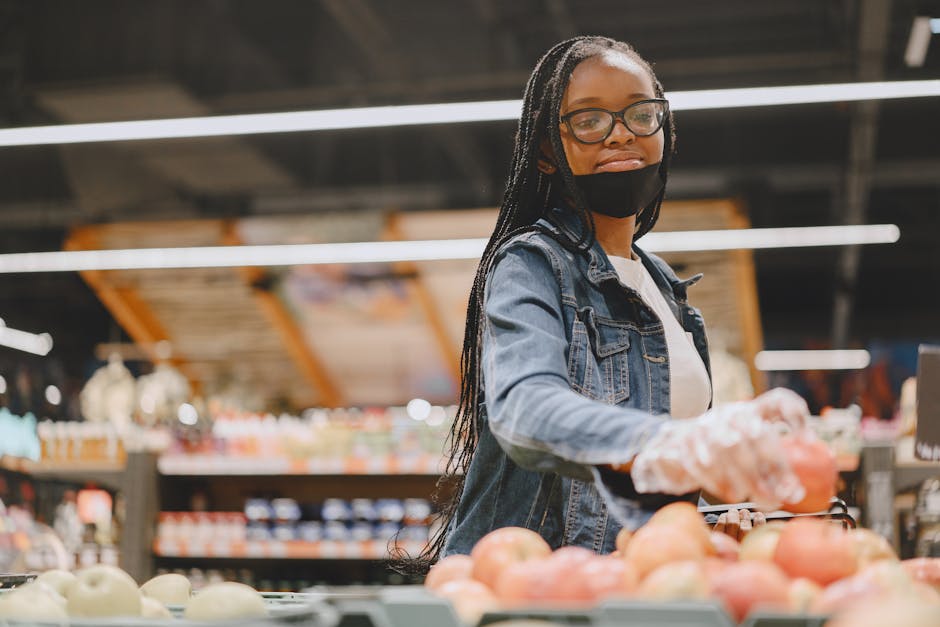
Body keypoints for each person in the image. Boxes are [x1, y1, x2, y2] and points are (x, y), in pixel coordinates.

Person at [419, 36, 809, 565]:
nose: (620, 134)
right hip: (530, 592)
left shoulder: (665, 290)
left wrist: (710, 504)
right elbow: (525, 407)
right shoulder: (532, 265)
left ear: (665, 130)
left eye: (640, 114)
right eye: (588, 121)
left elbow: (635, 491)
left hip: (632, 591)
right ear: (546, 152)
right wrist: (672, 442)